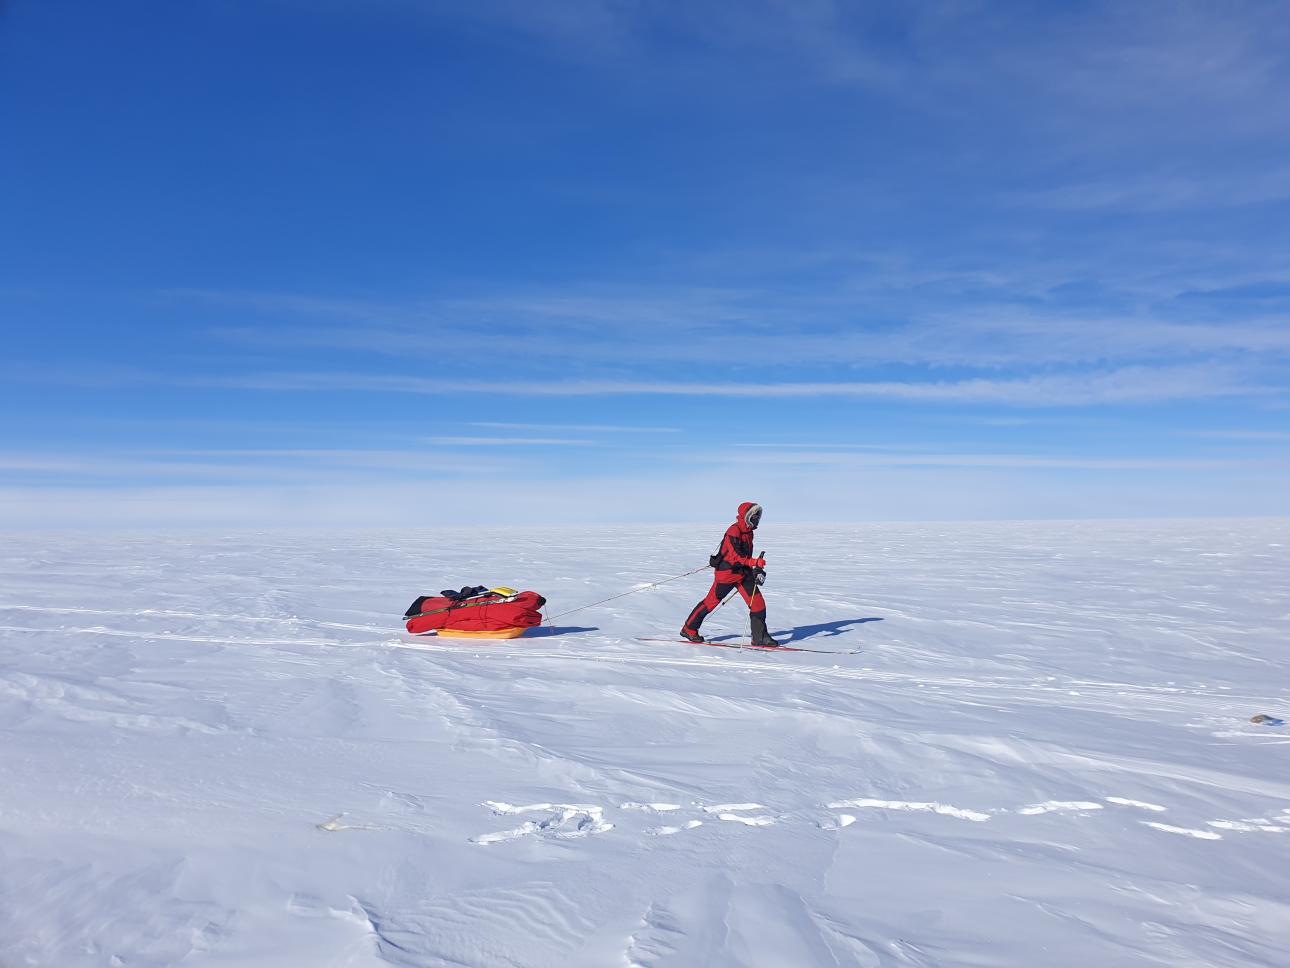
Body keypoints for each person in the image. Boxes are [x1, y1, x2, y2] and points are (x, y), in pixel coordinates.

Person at [681, 501, 779, 647]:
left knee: (758, 603)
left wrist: (754, 567)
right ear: (747, 516)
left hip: (743, 573)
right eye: (755, 516)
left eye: (759, 517)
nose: (757, 520)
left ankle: (759, 638)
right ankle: (689, 629)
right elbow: (735, 556)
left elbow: (743, 557)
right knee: (710, 602)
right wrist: (754, 562)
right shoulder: (734, 531)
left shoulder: (749, 532)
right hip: (727, 575)